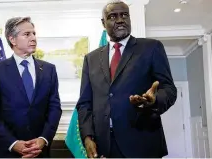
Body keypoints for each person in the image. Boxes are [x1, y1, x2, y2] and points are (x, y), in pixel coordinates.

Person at [76, 0, 177, 158]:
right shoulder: (91, 59)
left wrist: (154, 100)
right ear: (103, 23)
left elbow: (169, 89)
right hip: (104, 146)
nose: (120, 20)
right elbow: (84, 103)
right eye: (113, 16)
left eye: (124, 15)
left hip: (142, 142)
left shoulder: (151, 48)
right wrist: (87, 137)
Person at [0, 17, 62, 158]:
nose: (33, 38)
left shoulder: (49, 70)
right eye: (27, 34)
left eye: (34, 33)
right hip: (4, 151)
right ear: (12, 40)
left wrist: (43, 139)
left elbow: (54, 108)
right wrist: (13, 143)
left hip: (39, 152)